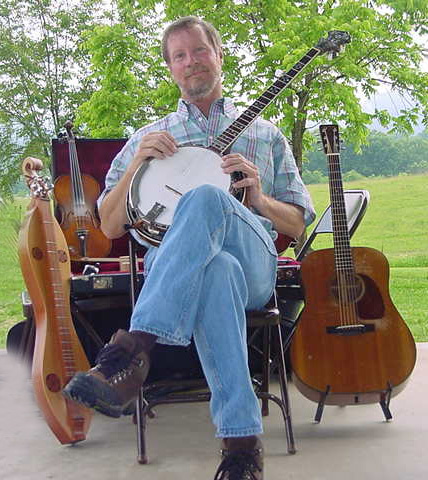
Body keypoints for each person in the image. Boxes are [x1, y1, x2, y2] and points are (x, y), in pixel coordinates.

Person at [63, 15, 315, 479]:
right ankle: (241, 450)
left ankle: (130, 352)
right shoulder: (147, 138)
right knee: (214, 272)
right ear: (170, 69)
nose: (191, 62)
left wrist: (258, 197)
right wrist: (138, 159)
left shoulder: (266, 134)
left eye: (199, 51)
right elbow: (111, 223)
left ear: (218, 56)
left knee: (206, 197)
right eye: (179, 56)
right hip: (180, 264)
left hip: (253, 257)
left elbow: (299, 224)